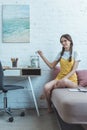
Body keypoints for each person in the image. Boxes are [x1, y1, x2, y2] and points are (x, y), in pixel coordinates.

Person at [37, 34, 80, 113]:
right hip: (59, 78)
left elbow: (74, 70)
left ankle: (48, 91)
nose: (63, 43)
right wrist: (42, 55)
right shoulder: (60, 53)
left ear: (70, 41)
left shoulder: (75, 53)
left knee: (63, 81)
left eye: (65, 41)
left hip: (71, 81)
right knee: (46, 87)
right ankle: (49, 107)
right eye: (61, 42)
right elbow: (51, 66)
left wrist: (64, 79)